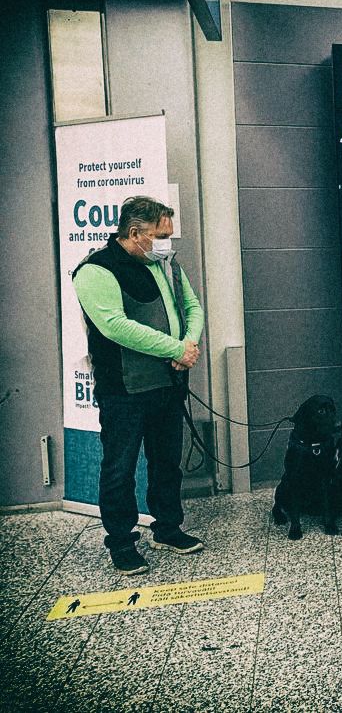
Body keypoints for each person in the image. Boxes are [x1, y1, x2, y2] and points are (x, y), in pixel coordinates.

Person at [72, 196, 205, 574]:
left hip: (167, 384)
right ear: (134, 233)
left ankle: (168, 528)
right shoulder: (95, 270)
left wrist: (188, 345)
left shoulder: (166, 264)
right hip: (124, 392)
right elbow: (115, 326)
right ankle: (121, 542)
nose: (167, 243)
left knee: (167, 463)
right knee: (120, 469)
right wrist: (176, 348)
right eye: (161, 235)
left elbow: (192, 308)